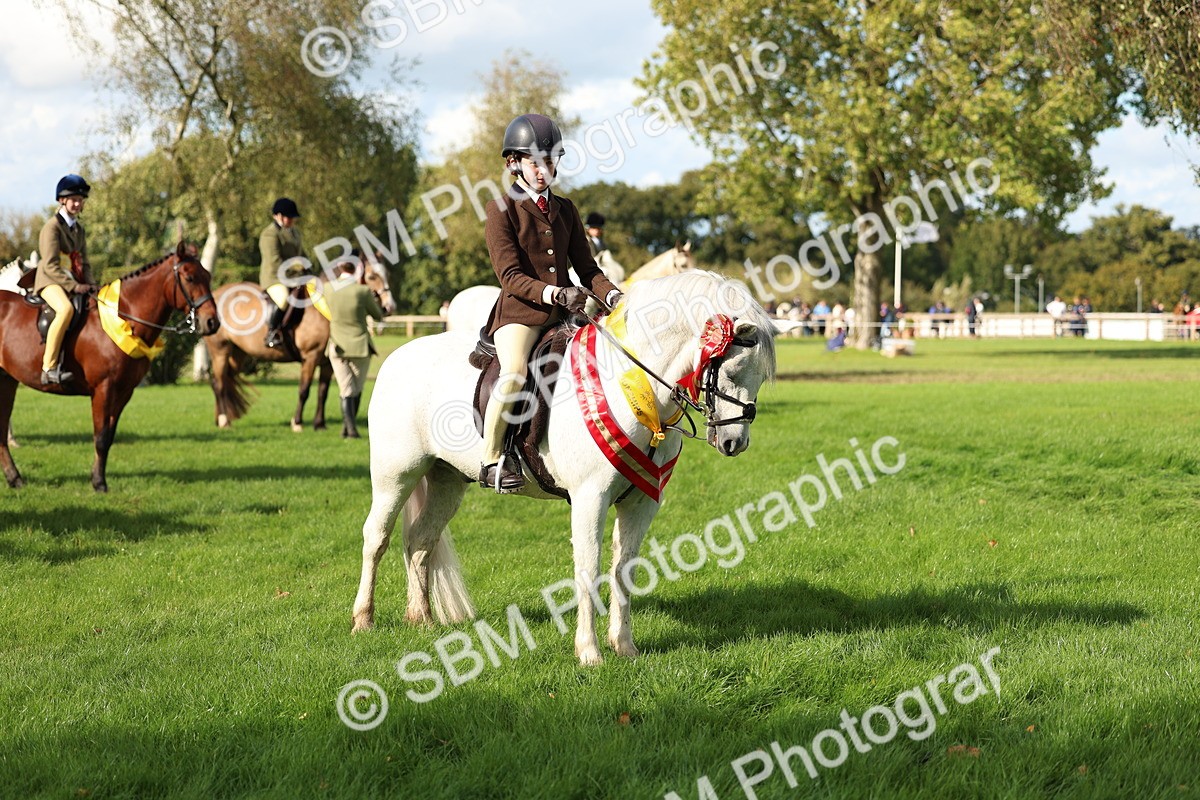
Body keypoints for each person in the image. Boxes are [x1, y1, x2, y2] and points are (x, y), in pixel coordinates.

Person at [479, 113, 623, 492]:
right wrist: (557, 293)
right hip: (520, 315)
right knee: (513, 374)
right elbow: (509, 276)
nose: (544, 170)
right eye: (535, 162)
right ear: (514, 163)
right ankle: (491, 459)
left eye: (550, 160)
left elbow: (588, 269)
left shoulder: (567, 209)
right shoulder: (500, 209)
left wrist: (613, 295)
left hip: (564, 315)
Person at [34, 174, 98, 384]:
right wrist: (75, 286)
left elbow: (84, 262)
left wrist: (92, 285)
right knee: (65, 310)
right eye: (74, 199)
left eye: (80, 200)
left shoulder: (79, 230)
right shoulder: (52, 227)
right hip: (49, 281)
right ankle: (49, 367)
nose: (78, 203)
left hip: (73, 280)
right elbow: (51, 264)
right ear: (62, 200)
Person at [325, 254, 384, 438]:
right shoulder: (362, 291)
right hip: (359, 346)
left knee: (346, 388)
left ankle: (346, 427)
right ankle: (351, 430)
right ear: (356, 271)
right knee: (355, 389)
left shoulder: (327, 288)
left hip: (337, 345)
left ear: (340, 270)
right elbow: (378, 316)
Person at [259, 197, 305, 348]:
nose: (292, 220)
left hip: (295, 276)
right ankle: (271, 332)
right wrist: (297, 269)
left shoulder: (295, 233)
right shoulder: (269, 234)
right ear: (278, 216)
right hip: (274, 278)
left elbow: (301, 254)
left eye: (293, 218)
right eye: (289, 217)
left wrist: (308, 266)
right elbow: (275, 260)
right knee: (283, 298)